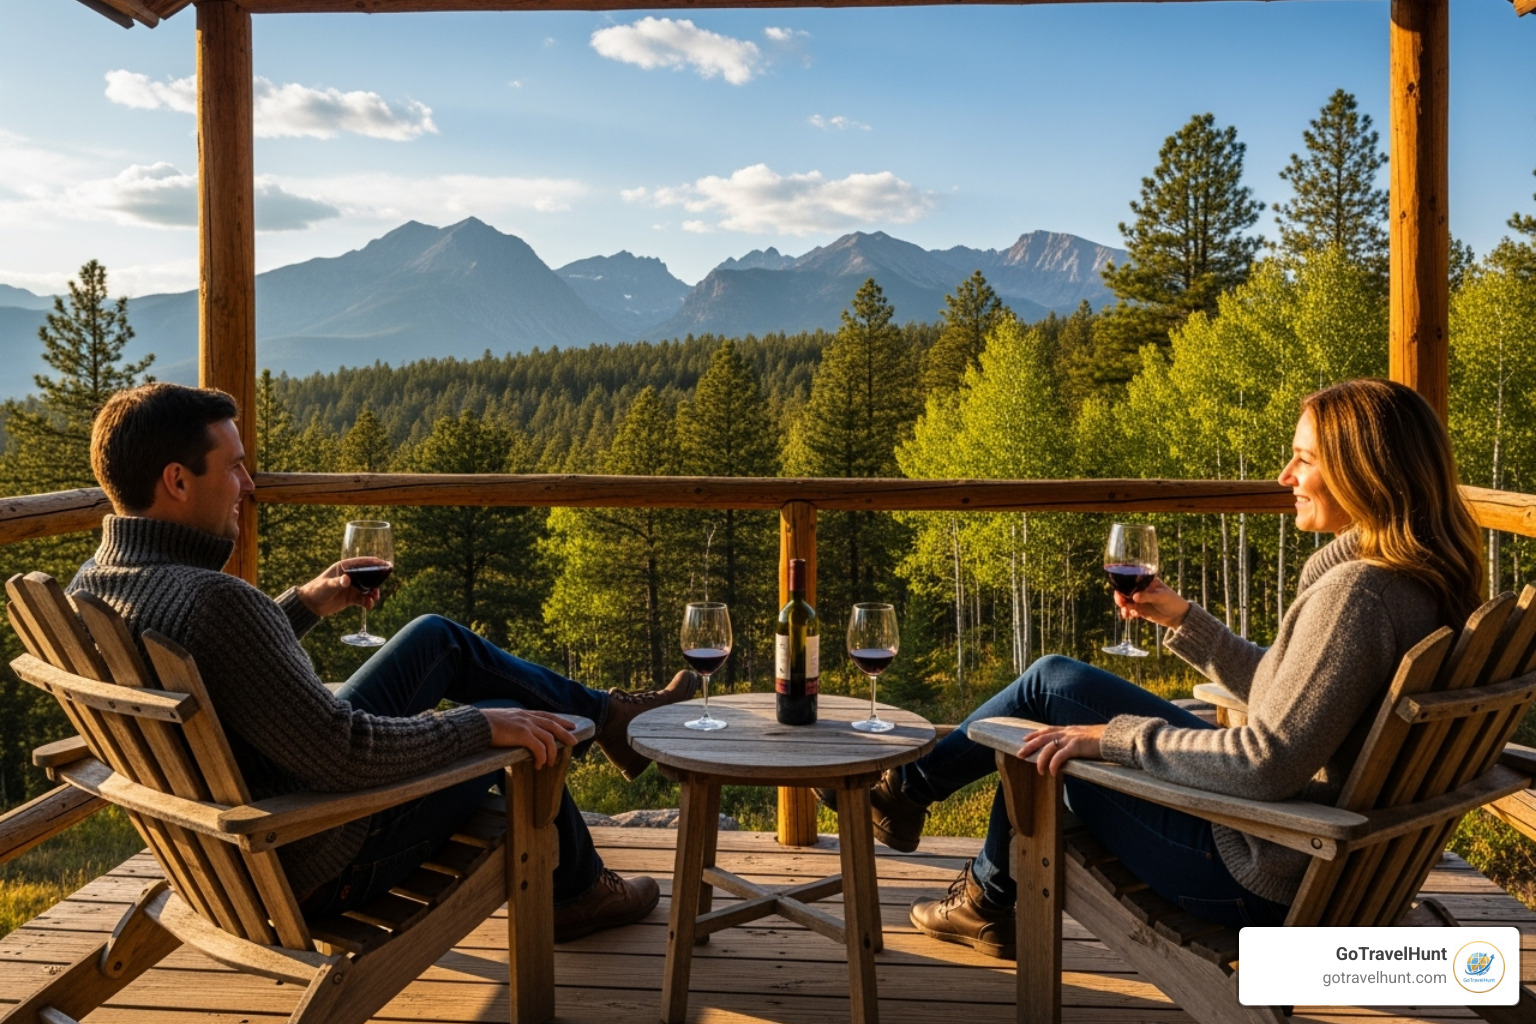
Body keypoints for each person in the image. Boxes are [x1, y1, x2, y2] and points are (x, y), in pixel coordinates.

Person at [839, 378, 1483, 958]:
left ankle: (958, 860)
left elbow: (1267, 759)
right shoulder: (1420, 581)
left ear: (1365, 473)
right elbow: (1300, 702)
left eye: (1305, 459)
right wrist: (1184, 621)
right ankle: (932, 826)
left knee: (1038, 734)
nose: (1286, 475)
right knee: (1053, 681)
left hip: (1258, 870)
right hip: (1320, 855)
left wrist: (1111, 741)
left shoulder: (1359, 595)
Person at [70, 382, 700, 940]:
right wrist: (479, 727)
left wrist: (304, 605)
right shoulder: (213, 600)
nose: (249, 485)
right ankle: (577, 890)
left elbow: (211, 666)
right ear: (178, 480)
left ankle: (609, 719)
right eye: (234, 468)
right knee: (516, 721)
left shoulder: (95, 586)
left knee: (435, 638)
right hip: (317, 849)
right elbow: (344, 753)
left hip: (241, 837)